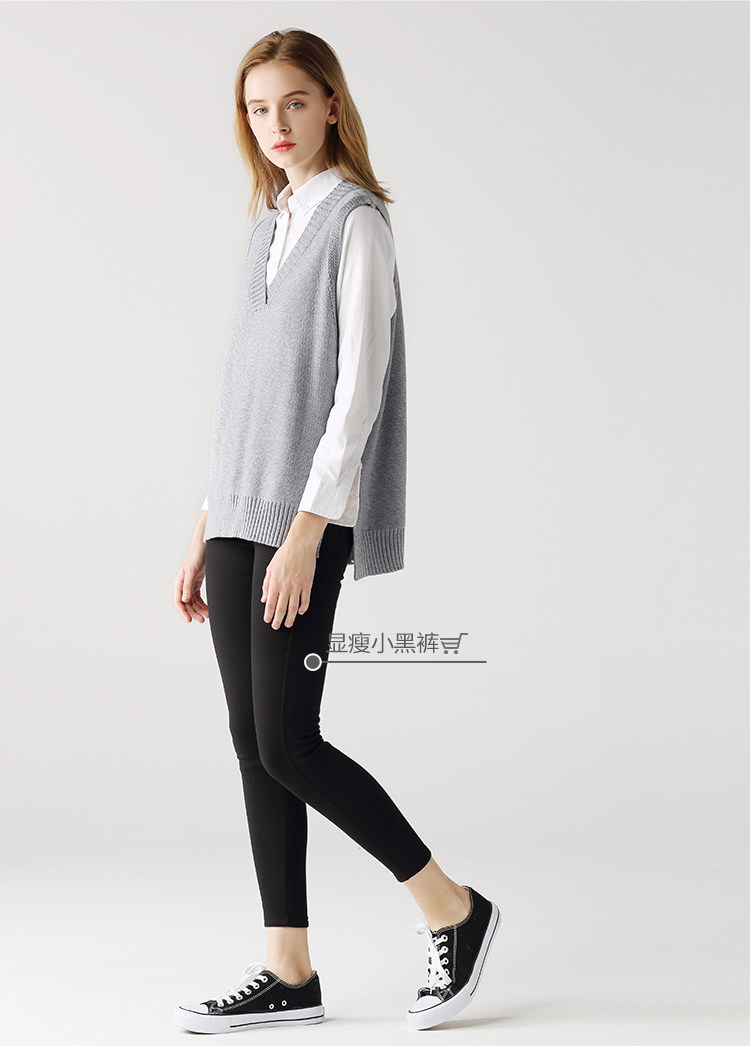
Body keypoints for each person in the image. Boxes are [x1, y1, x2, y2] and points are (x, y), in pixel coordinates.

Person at [171, 28, 499, 1034]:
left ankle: (454, 908)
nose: (275, 123)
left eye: (294, 102)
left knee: (290, 741)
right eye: (258, 107)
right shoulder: (267, 224)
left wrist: (309, 528)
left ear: (331, 106)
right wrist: (205, 521)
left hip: (302, 523)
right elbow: (241, 395)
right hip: (239, 515)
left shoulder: (356, 222)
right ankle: (290, 969)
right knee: (253, 743)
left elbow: (359, 392)